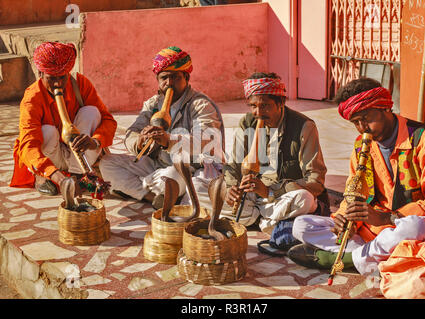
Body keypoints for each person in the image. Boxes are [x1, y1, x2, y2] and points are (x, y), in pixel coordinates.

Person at [288, 77, 425, 276]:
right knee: (302, 225)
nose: (363, 127)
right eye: (356, 122)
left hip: (409, 227)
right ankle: (378, 256)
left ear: (385, 108)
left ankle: (346, 260)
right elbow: (352, 194)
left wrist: (387, 217)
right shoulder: (361, 146)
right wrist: (344, 218)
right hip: (373, 231)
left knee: (412, 227)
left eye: (366, 118)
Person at [99, 46, 225, 209]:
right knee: (107, 163)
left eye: (175, 77)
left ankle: (147, 189)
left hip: (190, 168)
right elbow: (131, 132)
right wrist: (139, 142)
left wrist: (169, 141)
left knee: (172, 176)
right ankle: (154, 197)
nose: (169, 83)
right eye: (164, 78)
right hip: (158, 165)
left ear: (186, 77)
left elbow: (206, 141)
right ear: (158, 80)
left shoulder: (200, 105)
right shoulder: (153, 104)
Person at [221, 72, 329, 235]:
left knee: (305, 199)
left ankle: (256, 218)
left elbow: (316, 180)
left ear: (281, 103)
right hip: (254, 196)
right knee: (210, 187)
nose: (258, 112)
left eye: (265, 105)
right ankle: (269, 221)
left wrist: (270, 191)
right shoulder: (247, 123)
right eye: (253, 106)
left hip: (281, 196)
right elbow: (234, 165)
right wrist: (231, 188)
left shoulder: (304, 126)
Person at [9, 41, 117, 196]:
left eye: (62, 77)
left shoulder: (80, 84)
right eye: (51, 78)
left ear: (68, 73)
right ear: (40, 74)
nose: (57, 84)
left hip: (78, 152)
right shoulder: (32, 99)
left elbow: (108, 120)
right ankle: (43, 176)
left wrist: (95, 141)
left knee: (91, 112)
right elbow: (29, 146)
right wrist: (58, 178)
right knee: (47, 131)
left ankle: (78, 174)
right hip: (53, 156)